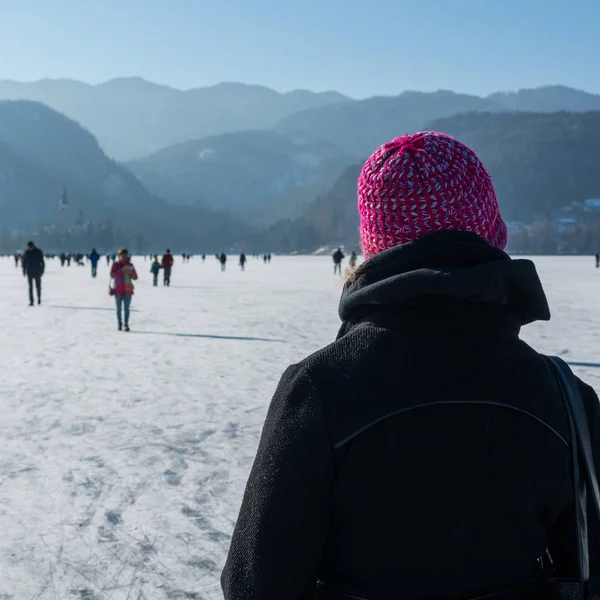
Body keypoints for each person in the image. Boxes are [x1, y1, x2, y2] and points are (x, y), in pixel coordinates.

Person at [221, 132, 600, 600]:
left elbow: (256, 585)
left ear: (375, 248)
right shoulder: (566, 398)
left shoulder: (320, 389)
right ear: (491, 234)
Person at [110, 248, 137, 331]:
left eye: (125, 255)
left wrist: (130, 273)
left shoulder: (130, 265)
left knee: (126, 308)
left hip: (128, 290)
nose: (124, 257)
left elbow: (135, 277)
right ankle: (119, 323)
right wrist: (121, 271)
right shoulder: (115, 264)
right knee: (118, 309)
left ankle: (126, 324)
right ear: (119, 256)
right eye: (122, 256)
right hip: (118, 289)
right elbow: (112, 275)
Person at [22, 241, 45, 306]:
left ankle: (39, 298)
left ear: (33, 246)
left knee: (38, 287)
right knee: (30, 287)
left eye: (31, 247)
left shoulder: (38, 252)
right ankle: (31, 301)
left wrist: (42, 271)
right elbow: (24, 262)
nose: (30, 248)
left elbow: (42, 262)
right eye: (29, 247)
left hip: (37, 272)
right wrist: (24, 271)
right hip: (29, 272)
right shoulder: (27, 252)